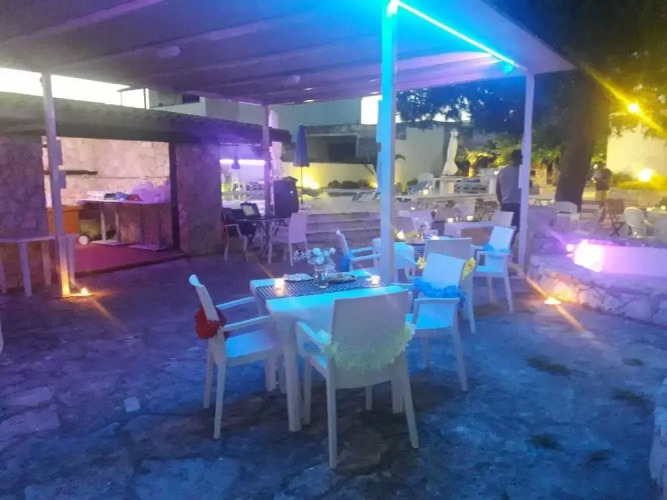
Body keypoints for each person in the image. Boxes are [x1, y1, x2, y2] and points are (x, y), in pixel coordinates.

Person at [496, 149, 525, 228]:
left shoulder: (503, 172)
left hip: (505, 205)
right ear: (521, 159)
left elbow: (498, 191)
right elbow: (529, 185)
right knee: (516, 229)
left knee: (506, 229)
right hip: (517, 205)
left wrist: (501, 203)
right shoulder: (522, 172)